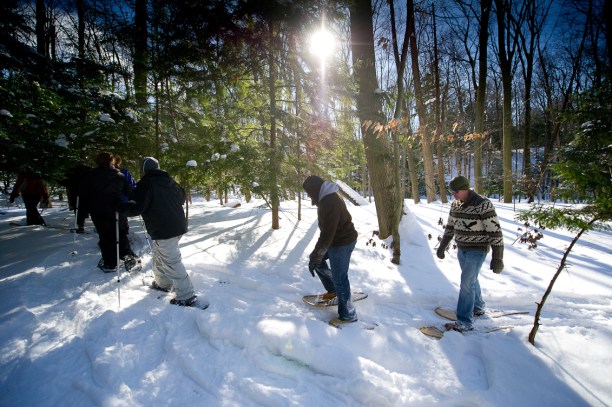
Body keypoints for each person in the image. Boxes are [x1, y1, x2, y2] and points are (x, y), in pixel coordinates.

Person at [130, 157, 202, 308]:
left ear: (144, 170)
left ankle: (186, 295)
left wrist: (118, 206)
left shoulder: (146, 184)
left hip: (164, 229)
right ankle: (164, 283)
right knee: (160, 254)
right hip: (177, 226)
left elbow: (136, 208)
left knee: (171, 261)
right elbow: (181, 198)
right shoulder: (170, 181)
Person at [436, 175, 505, 332]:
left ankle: (464, 322)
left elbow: (495, 232)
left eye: (456, 191)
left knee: (466, 282)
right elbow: (450, 227)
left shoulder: (483, 204)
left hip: (477, 249)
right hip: (462, 248)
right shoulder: (456, 204)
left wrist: (497, 258)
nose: (453, 194)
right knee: (471, 280)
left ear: (466, 188)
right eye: (451, 191)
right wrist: (442, 246)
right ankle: (478, 307)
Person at [302, 175, 358, 325]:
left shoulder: (329, 202)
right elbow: (327, 233)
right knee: (318, 262)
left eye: (309, 192)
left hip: (342, 242)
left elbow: (327, 234)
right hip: (335, 240)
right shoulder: (326, 197)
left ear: (315, 190)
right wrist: (316, 256)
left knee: (340, 278)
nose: (309, 196)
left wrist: (317, 254)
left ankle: (348, 315)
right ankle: (333, 291)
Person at [83, 152, 137, 272]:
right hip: (115, 208)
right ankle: (127, 256)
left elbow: (85, 193)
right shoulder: (118, 175)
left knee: (105, 235)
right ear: (111, 161)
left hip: (98, 209)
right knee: (120, 232)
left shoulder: (90, 175)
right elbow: (129, 192)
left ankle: (110, 262)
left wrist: (87, 208)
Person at [60, 163, 92, 233]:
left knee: (78, 211)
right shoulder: (89, 173)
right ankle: (92, 227)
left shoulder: (75, 174)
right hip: (88, 195)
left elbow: (68, 182)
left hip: (76, 195)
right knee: (86, 210)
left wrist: (59, 181)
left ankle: (80, 227)